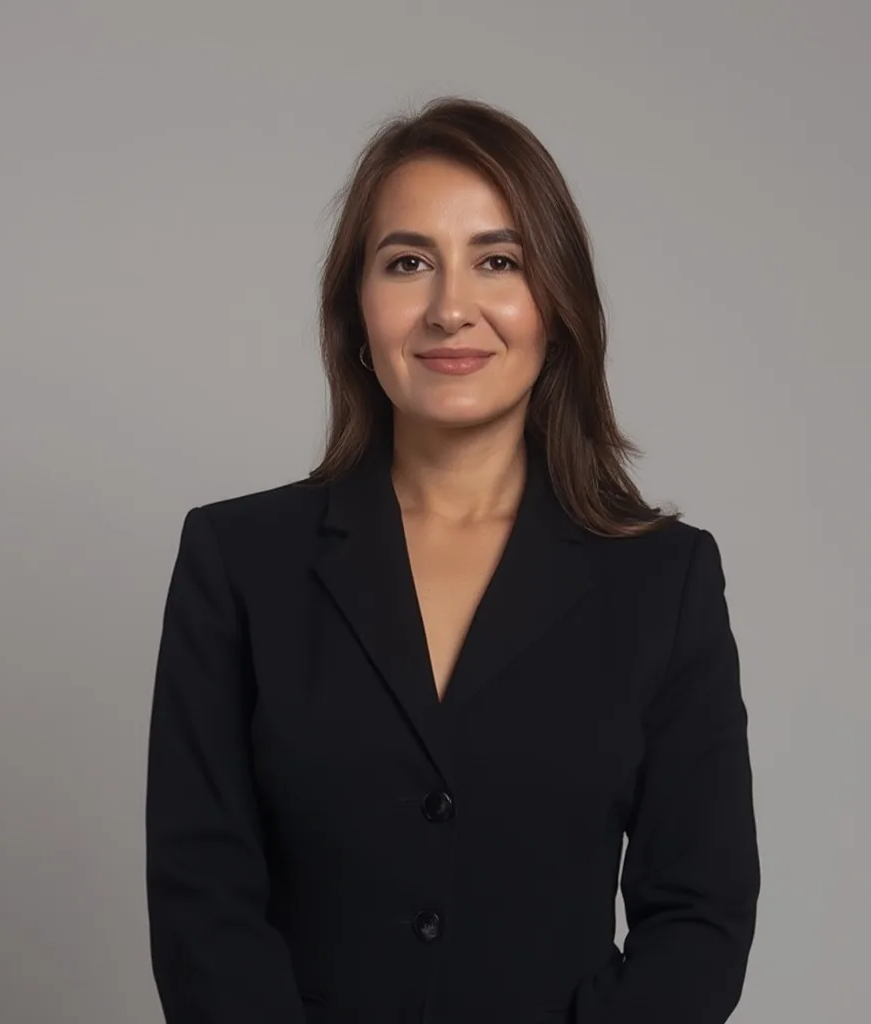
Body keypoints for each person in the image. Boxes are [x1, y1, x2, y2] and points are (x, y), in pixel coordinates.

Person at [145, 95, 760, 1024]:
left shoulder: (663, 580)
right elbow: (201, 903)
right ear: (356, 310)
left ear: (556, 305)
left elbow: (700, 918)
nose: (450, 309)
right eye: (408, 263)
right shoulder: (237, 560)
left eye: (498, 261)